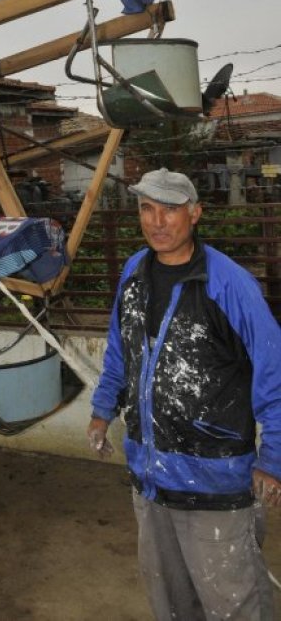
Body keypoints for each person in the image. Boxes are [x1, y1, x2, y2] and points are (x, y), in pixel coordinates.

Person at [87, 167, 281, 620]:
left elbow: (275, 372)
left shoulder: (230, 285)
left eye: (170, 209)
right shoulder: (134, 272)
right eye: (147, 209)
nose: (157, 221)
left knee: (234, 604)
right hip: (150, 479)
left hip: (215, 483)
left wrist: (272, 459)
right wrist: (102, 411)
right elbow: (121, 350)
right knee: (170, 602)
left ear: (195, 214)